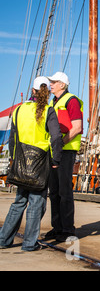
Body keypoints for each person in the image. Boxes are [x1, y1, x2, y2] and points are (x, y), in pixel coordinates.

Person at [0, 77, 63, 251]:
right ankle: (29, 243)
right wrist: (56, 159)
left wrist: (13, 160)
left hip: (21, 161)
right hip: (40, 163)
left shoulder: (19, 110)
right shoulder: (48, 110)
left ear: (32, 90)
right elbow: (56, 137)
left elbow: (13, 138)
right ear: (47, 92)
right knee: (36, 203)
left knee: (19, 201)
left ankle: (4, 240)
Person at [43, 72, 83, 242]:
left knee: (64, 191)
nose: (50, 84)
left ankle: (67, 229)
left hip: (66, 151)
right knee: (54, 191)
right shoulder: (53, 102)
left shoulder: (71, 100)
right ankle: (57, 226)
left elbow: (76, 127)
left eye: (54, 82)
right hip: (56, 151)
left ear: (62, 85)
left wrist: (61, 144)